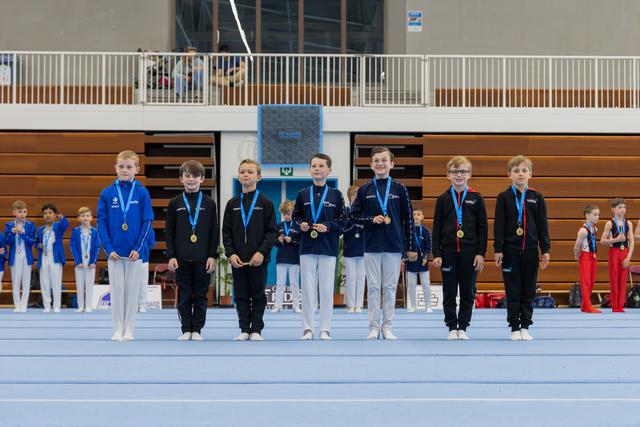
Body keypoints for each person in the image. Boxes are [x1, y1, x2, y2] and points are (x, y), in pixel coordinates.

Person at [350, 147, 416, 340]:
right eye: (376, 160)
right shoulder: (364, 189)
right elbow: (353, 217)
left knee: (389, 287)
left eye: (384, 160)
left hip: (393, 245)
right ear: (371, 164)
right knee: (372, 287)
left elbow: (408, 219)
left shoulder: (399, 188)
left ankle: (387, 326)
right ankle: (373, 326)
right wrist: (371, 220)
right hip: (371, 245)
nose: (380, 163)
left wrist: (410, 246)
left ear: (391, 164)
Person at [98, 150, 154, 341]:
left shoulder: (142, 193)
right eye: (121, 166)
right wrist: (108, 248)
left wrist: (138, 248)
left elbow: (147, 222)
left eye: (129, 167)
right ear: (115, 168)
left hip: (134, 253)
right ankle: (117, 328)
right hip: (114, 252)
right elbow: (101, 223)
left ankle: (129, 328)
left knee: (131, 291)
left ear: (136, 169)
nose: (124, 169)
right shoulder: (107, 193)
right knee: (117, 290)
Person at [494, 155, 550, 341]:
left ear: (530, 174)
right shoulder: (503, 197)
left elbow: (543, 225)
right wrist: (497, 249)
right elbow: (499, 226)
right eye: (516, 171)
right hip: (510, 251)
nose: (520, 174)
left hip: (532, 250)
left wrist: (546, 250)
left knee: (528, 290)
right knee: (513, 290)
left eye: (524, 171)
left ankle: (525, 325)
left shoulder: (537, 197)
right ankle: (514, 327)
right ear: (509, 174)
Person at [432, 156, 488, 339]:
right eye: (455, 172)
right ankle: (451, 326)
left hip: (470, 253)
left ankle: (462, 326)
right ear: (448, 175)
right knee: (449, 291)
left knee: (467, 291)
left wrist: (481, 253)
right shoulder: (443, 199)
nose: (459, 175)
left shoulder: (476, 198)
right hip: (448, 252)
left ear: (469, 174)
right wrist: (436, 253)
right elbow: (437, 228)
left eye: (463, 171)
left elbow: (483, 228)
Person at [222, 159, 277, 341]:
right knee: (241, 295)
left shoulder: (266, 203)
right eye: (242, 172)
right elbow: (226, 232)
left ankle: (256, 330)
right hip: (238, 259)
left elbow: (272, 232)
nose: (246, 174)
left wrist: (261, 252)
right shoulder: (232, 204)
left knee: (258, 294)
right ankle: (244, 328)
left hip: (258, 259)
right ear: (238, 176)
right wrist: (231, 254)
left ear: (258, 177)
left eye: (250, 172)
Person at [293, 154, 345, 340]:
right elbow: (295, 218)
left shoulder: (336, 195)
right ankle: (307, 328)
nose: (317, 168)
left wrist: (328, 226)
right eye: (314, 165)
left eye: (321, 166)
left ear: (329, 170)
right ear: (310, 169)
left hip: (328, 247)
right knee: (307, 288)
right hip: (307, 246)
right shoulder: (302, 194)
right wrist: (302, 225)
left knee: (325, 289)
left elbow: (342, 221)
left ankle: (325, 328)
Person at [166, 160, 219, 340]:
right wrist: (171, 256)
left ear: (202, 179)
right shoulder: (175, 203)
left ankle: (197, 329)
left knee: (201, 295)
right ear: (181, 179)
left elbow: (214, 232)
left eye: (195, 176)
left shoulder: (210, 203)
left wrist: (213, 256)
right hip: (181, 258)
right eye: (187, 176)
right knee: (184, 295)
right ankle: (185, 328)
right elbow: (169, 232)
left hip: (203, 258)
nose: (191, 179)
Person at [600, 198, 634, 313]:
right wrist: (616, 239)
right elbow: (602, 241)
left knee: (623, 280)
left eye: (624, 207)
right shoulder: (609, 223)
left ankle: (621, 306)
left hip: (625, 252)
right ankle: (615, 306)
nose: (622, 209)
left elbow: (632, 242)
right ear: (613, 209)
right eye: (620, 207)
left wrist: (629, 257)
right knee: (614, 279)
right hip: (614, 252)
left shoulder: (628, 223)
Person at [36, 204, 69, 313]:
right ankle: (46, 305)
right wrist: (39, 246)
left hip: (55, 257)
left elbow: (65, 225)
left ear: (55, 215)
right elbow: (37, 243)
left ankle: (56, 305)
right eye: (45, 213)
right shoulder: (41, 229)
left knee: (56, 282)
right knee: (44, 282)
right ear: (43, 216)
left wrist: (62, 219)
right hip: (44, 257)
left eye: (50, 213)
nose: (47, 215)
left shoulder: (57, 226)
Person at [4, 200, 35, 312]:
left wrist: (22, 233)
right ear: (14, 212)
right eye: (20, 211)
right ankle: (17, 306)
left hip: (26, 256)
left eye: (24, 211)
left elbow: (31, 242)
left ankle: (24, 306)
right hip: (15, 256)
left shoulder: (31, 225)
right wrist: (12, 232)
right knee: (15, 281)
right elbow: (8, 242)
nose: (22, 214)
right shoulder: (9, 225)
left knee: (26, 282)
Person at [272, 200, 301, 313]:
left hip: (294, 258)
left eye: (288, 213)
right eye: (285, 214)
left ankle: (296, 306)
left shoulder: (297, 226)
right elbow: (274, 243)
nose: (287, 216)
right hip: (282, 258)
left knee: (294, 283)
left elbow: (300, 242)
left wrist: (291, 240)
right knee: (280, 283)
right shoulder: (278, 226)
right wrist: (278, 240)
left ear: (292, 212)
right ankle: (277, 306)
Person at [70, 207, 100, 313]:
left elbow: (97, 247)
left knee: (89, 284)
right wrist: (78, 261)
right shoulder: (75, 231)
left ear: (91, 218)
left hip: (90, 262)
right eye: (83, 216)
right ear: (79, 218)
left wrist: (93, 261)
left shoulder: (95, 232)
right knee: (79, 284)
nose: (85, 218)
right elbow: (72, 246)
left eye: (87, 215)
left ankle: (88, 306)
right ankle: (80, 306)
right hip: (80, 262)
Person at [573, 204, 601, 314]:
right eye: (595, 215)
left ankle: (584, 306)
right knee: (586, 282)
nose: (597, 217)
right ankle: (588, 307)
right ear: (587, 215)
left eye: (598, 215)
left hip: (593, 256)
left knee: (592, 282)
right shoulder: (583, 230)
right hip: (585, 257)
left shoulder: (595, 229)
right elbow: (576, 246)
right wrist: (576, 255)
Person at [405, 207, 432, 313]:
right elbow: (405, 245)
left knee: (426, 284)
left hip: (423, 262)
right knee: (411, 285)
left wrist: (426, 258)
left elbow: (429, 247)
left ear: (422, 217)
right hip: (411, 262)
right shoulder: (408, 231)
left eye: (418, 214)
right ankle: (412, 306)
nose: (416, 216)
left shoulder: (425, 231)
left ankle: (428, 305)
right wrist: (405, 257)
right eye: (414, 214)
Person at [343, 185, 365, 313]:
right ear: (350, 198)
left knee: (361, 277)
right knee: (351, 277)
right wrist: (354, 226)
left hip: (362, 248)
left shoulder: (364, 212)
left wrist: (363, 226)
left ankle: (359, 304)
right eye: (354, 197)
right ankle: (351, 304)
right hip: (349, 248)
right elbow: (342, 231)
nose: (356, 199)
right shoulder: (345, 212)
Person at [137, 228, 155, 313]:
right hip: (131, 259)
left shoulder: (149, 229)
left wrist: (143, 249)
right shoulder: (132, 226)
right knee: (131, 284)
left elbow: (151, 244)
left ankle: (142, 305)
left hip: (143, 259)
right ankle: (132, 305)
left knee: (143, 284)